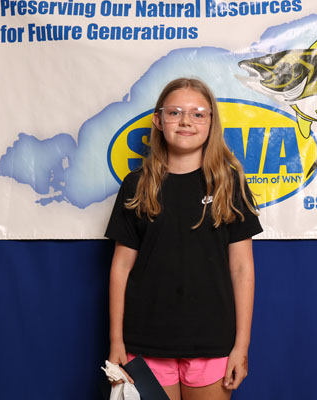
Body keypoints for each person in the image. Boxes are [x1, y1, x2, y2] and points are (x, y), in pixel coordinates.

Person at [105, 77, 263, 400]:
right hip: (145, 341)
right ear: (158, 120)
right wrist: (116, 341)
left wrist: (241, 346)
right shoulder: (136, 185)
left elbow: (242, 269)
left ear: (211, 122)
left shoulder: (229, 184)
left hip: (212, 341)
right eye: (175, 112)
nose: (186, 121)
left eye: (197, 114)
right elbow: (120, 267)